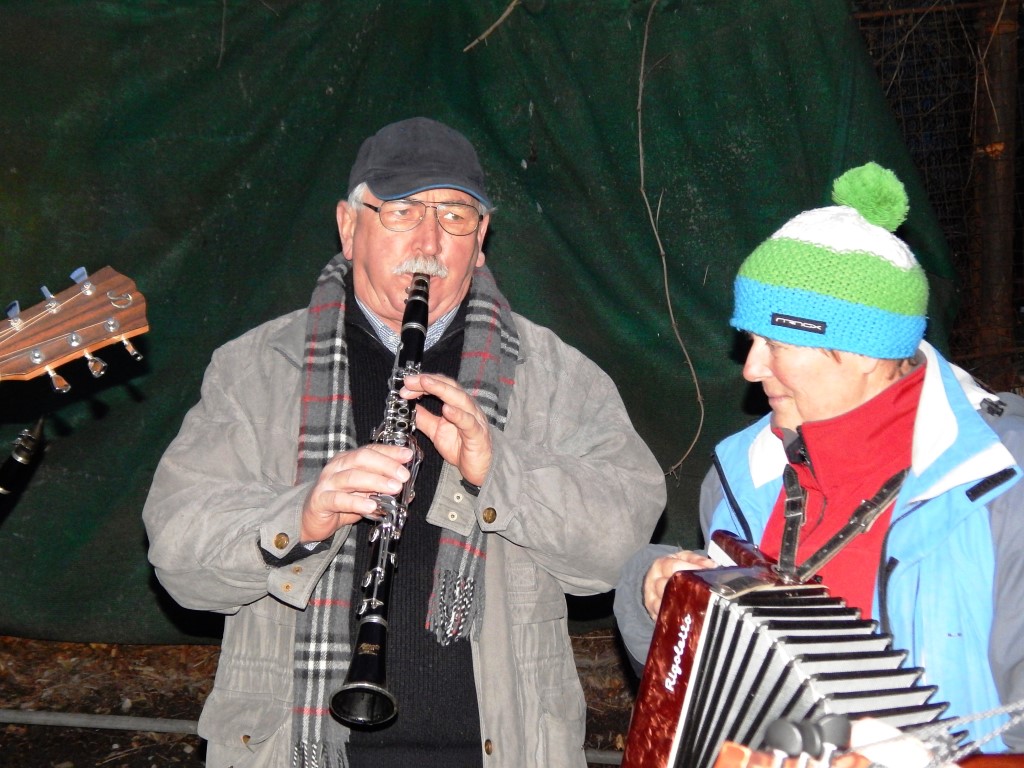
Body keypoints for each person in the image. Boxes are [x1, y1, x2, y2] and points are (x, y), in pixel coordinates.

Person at [143, 116, 666, 768]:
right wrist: (299, 518)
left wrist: (501, 471)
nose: (429, 241)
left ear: (481, 241)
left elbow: (620, 549)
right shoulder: (253, 370)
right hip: (293, 750)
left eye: (455, 216)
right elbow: (178, 557)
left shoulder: (555, 373)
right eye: (401, 211)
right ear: (348, 227)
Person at [613, 162, 1024, 753]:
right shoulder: (743, 475)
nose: (751, 368)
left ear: (866, 350)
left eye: (776, 343)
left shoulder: (1000, 487)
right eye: (750, 340)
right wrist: (667, 603)